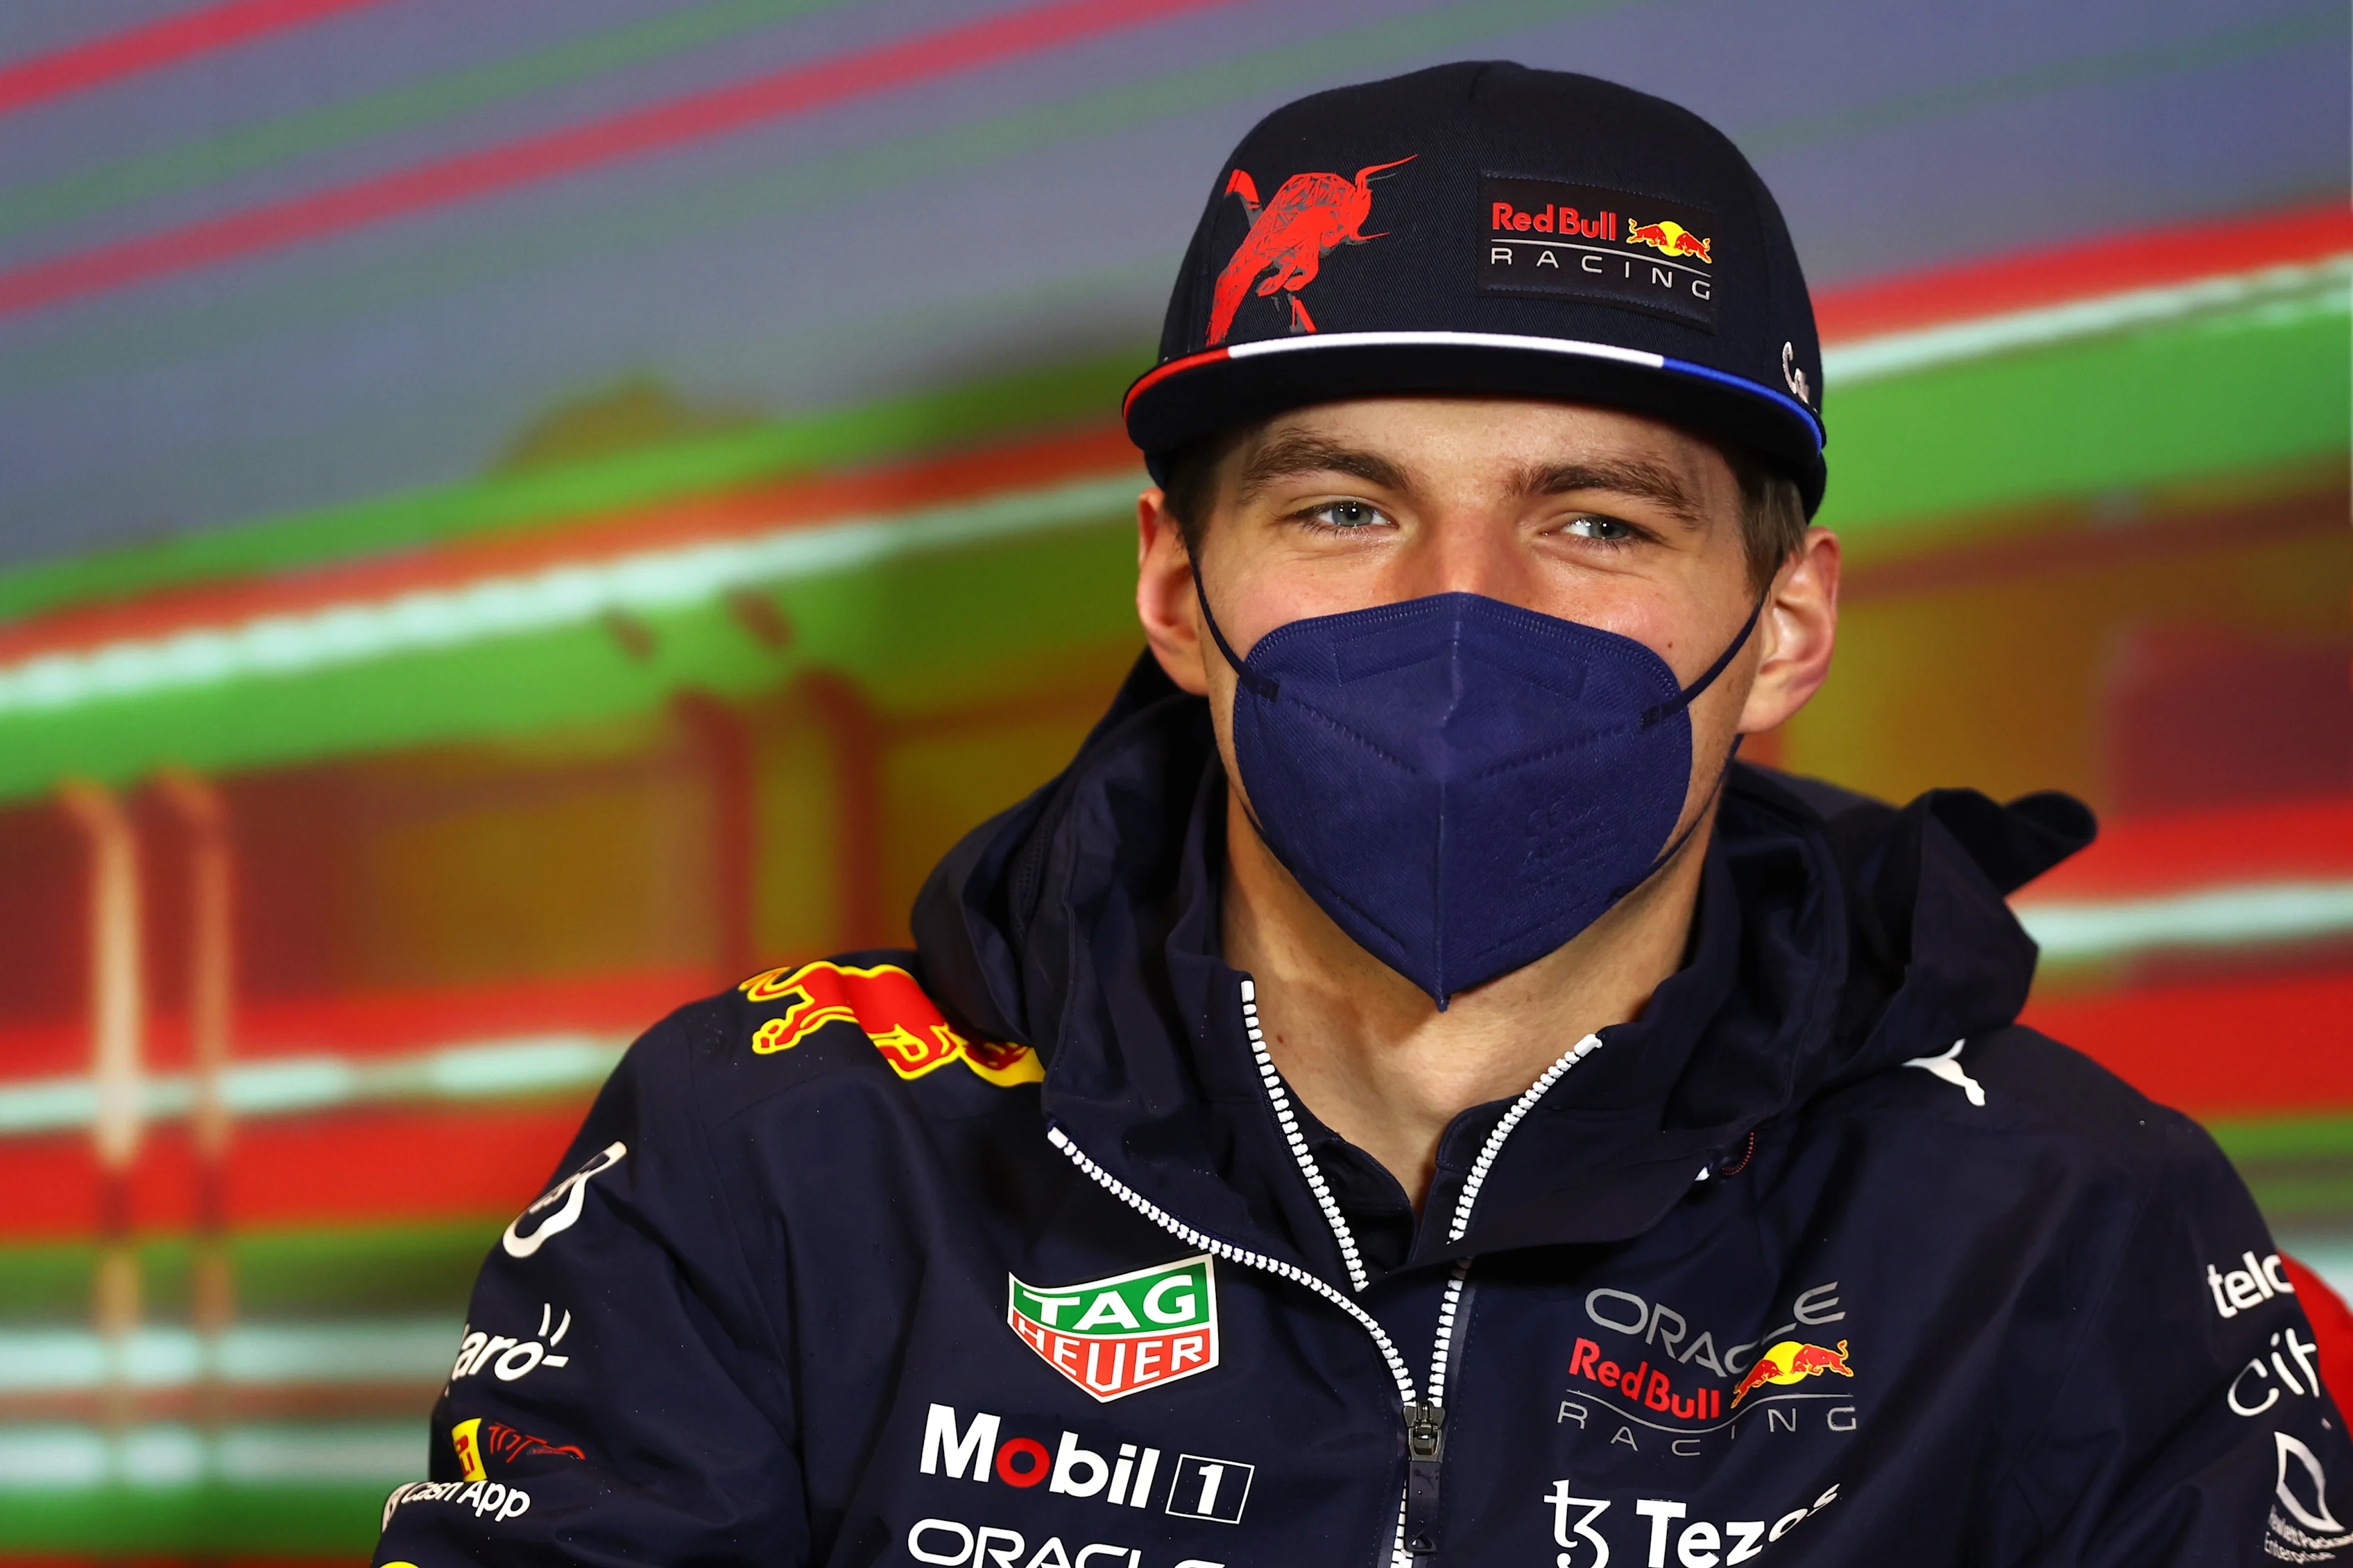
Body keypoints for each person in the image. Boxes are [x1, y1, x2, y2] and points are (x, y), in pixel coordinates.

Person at [374, 64, 2352, 1568]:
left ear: (1789, 622)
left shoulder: (2071, 1224)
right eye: (1344, 507)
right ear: (1173, 583)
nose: (1458, 611)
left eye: (1593, 519)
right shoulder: (778, 1146)